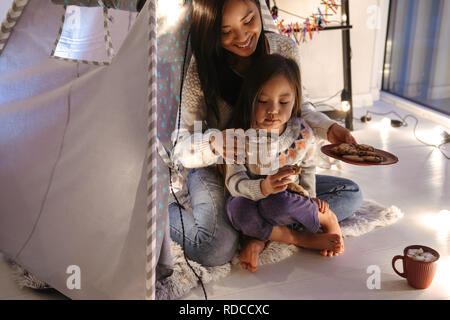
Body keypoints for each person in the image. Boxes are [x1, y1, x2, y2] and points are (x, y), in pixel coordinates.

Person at [169, 0, 362, 268]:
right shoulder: (200, 71)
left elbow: (298, 107)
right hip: (218, 167)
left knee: (349, 193)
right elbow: (181, 146)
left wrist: (328, 128)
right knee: (213, 248)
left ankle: (258, 232)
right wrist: (213, 143)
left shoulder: (283, 48)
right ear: (211, 32)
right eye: (226, 32)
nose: (243, 37)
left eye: (249, 21)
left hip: (270, 167)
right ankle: (278, 231)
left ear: (258, 9)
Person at [225, 54, 344, 272]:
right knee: (236, 209)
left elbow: (308, 167)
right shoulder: (237, 136)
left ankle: (325, 218)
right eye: (262, 101)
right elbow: (233, 181)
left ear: (295, 99)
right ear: (250, 97)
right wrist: (263, 187)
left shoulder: (302, 133)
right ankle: (297, 238)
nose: (273, 110)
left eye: (283, 102)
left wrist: (311, 199)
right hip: (250, 200)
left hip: (284, 201)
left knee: (276, 203)